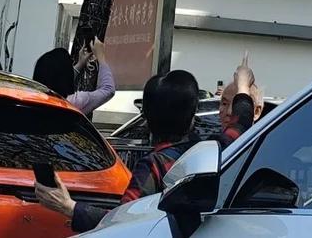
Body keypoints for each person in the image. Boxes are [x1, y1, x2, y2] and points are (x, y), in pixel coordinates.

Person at [35, 68, 202, 232]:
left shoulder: (154, 166)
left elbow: (123, 224)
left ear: (148, 117)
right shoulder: (211, 155)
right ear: (193, 113)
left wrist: (69, 206)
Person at [32, 39, 115, 118]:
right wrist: (101, 57)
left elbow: (60, 81)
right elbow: (108, 90)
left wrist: (80, 64)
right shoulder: (73, 102)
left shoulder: (34, 99)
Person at [218, 54, 262, 143]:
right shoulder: (210, 147)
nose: (230, 112)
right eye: (225, 104)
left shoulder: (260, 150)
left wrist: (243, 86)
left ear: (256, 112)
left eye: (236, 105)